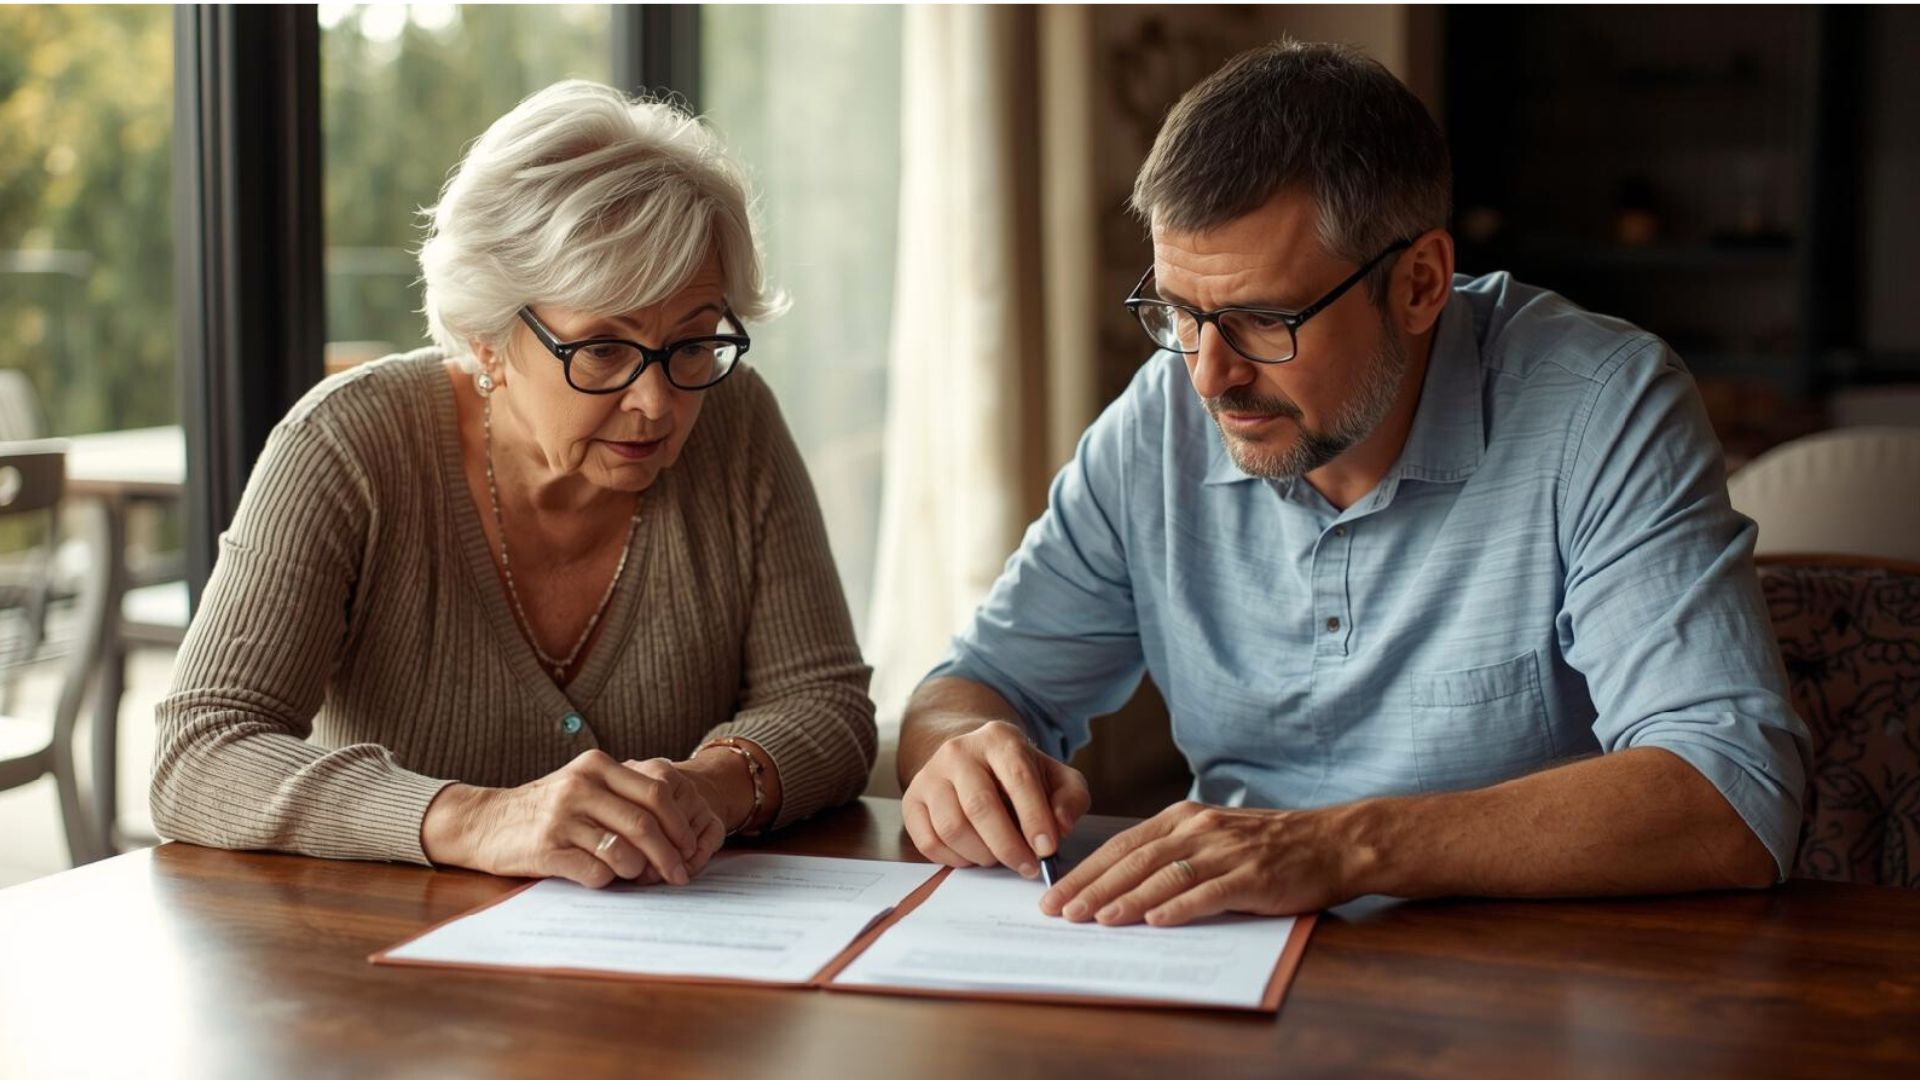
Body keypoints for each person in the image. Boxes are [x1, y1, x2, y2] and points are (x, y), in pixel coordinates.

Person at [897, 40, 1809, 927]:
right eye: (1180, 313)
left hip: (1538, 978)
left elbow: (1731, 794)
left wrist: (1341, 849)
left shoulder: (1601, 407)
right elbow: (970, 688)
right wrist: (964, 754)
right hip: (1227, 965)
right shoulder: (1160, 420)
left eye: (1264, 320)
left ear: (1419, 284)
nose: (1210, 376)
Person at [152, 80, 876, 889]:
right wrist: (477, 820)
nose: (657, 400)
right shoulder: (349, 444)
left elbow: (828, 706)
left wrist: (706, 787)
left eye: (694, 341)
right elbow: (201, 750)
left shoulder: (735, 420)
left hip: (673, 944)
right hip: (383, 949)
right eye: (604, 349)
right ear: (486, 337)